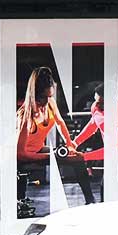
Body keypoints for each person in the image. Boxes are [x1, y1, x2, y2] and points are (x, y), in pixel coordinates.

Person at [16, 67, 96, 205]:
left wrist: (70, 144)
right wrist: (51, 156)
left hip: (39, 150)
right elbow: (20, 154)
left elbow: (60, 122)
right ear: (34, 95)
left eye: (49, 96)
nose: (47, 102)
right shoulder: (25, 114)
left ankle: (91, 201)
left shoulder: (50, 103)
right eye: (43, 98)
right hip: (23, 157)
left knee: (78, 157)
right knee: (63, 156)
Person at [73, 84, 118, 161]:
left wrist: (84, 157)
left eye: (102, 103)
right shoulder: (95, 107)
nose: (97, 105)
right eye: (96, 101)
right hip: (109, 154)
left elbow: (112, 151)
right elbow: (92, 125)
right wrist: (75, 142)